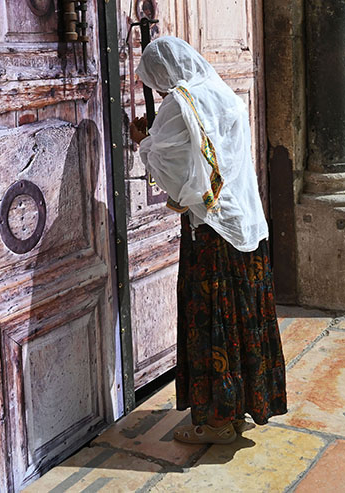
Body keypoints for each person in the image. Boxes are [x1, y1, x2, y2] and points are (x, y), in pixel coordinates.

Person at [129, 36, 286, 445]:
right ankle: (243, 407)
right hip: (245, 223)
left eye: (157, 82)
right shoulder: (220, 91)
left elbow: (181, 178)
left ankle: (218, 422)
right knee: (243, 314)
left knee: (214, 319)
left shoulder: (180, 103)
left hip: (213, 233)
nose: (160, 91)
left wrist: (141, 144)